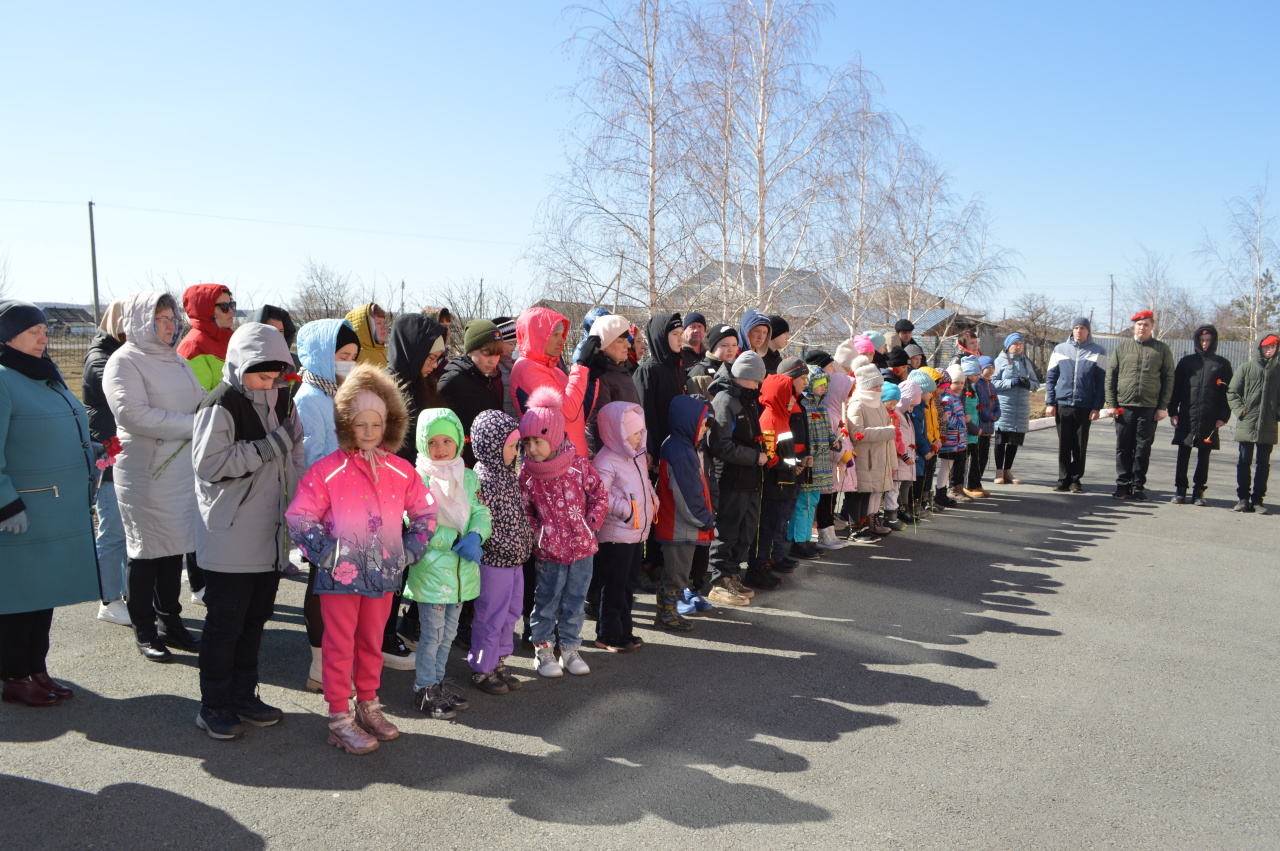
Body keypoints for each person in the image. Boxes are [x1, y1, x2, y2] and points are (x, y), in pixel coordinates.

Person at [286, 363, 435, 755]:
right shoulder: (327, 472)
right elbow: (299, 516)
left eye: (376, 424)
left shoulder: (401, 471)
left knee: (371, 641)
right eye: (360, 424)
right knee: (339, 644)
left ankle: (368, 704)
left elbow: (426, 512)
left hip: (384, 576)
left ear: (388, 424)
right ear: (345, 423)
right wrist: (327, 553)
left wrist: (409, 550)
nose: (369, 433)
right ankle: (339, 717)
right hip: (339, 577)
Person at [190, 323, 304, 740]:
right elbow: (210, 464)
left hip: (269, 536)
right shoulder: (220, 403)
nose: (270, 383)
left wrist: (301, 499)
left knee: (255, 620)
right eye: (262, 374)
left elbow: (296, 454)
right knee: (225, 626)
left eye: (277, 375)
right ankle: (213, 705)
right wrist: (271, 446)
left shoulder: (282, 400)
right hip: (230, 535)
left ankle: (243, 695)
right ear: (241, 365)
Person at [0, 300, 99, 706]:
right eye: (34, 332)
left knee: (44, 596)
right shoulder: (4, 379)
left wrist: (95, 450)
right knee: (18, 598)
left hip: (55, 510)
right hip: (23, 513)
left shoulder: (45, 374)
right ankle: (13, 676)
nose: (45, 337)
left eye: (45, 329)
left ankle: (36, 668)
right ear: (8, 338)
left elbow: (61, 428)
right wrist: (6, 504)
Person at [104, 291, 207, 663]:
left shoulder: (176, 360)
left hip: (180, 470)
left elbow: (199, 399)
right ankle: (144, 629)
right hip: (146, 472)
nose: (170, 324)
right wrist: (194, 426)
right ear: (138, 321)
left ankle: (172, 622)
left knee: (174, 547)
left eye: (171, 318)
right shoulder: (124, 361)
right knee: (146, 550)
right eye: (160, 318)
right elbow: (133, 415)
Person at [404, 409, 490, 717]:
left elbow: (480, 511)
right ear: (422, 444)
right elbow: (415, 521)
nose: (440, 448)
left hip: (461, 573)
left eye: (447, 440)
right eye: (433, 442)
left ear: (458, 442)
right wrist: (452, 541)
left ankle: (437, 682)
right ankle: (424, 687)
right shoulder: (419, 478)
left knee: (449, 634)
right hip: (432, 571)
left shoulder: (468, 476)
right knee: (432, 635)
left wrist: (477, 535)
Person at [519, 387, 607, 678]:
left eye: (538, 440)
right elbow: (525, 510)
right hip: (550, 552)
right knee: (546, 600)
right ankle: (543, 651)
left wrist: (590, 525)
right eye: (527, 442)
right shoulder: (528, 474)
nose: (532, 448)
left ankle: (570, 648)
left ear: (554, 437)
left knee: (574, 600)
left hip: (583, 548)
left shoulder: (579, 465)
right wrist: (537, 534)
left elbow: (599, 495)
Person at [293, 317, 360, 691]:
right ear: (322, 355)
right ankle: (319, 666)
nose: (348, 363)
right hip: (324, 506)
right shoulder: (308, 399)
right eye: (342, 355)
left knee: (340, 586)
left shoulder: (336, 393)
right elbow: (309, 459)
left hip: (348, 501)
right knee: (322, 584)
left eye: (352, 356)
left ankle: (334, 658)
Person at [466, 410, 533, 691]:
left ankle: (499, 662)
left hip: (515, 561)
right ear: (491, 445)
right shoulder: (482, 478)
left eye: (516, 446)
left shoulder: (507, 475)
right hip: (494, 563)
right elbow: (481, 521)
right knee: (489, 618)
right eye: (510, 446)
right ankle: (482, 668)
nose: (515, 451)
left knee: (511, 614)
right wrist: (504, 547)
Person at [591, 401, 658, 647]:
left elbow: (644, 484)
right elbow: (600, 494)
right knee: (614, 583)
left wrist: (653, 500)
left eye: (641, 431)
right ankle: (608, 632)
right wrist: (628, 511)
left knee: (628, 583)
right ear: (617, 432)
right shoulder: (606, 460)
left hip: (635, 531)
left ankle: (623, 629)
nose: (640, 436)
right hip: (616, 533)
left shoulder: (636, 456)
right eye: (634, 432)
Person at [82, 299, 131, 626]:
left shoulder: (118, 355)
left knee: (127, 531)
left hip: (125, 456)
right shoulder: (101, 359)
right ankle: (109, 599)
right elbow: (122, 391)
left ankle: (126, 593)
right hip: (109, 457)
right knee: (113, 530)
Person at [705, 351, 767, 602]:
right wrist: (755, 457)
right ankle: (719, 580)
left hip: (749, 478)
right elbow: (719, 445)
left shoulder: (745, 398)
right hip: (730, 478)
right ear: (746, 377)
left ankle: (731, 574)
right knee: (727, 530)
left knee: (745, 530)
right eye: (756, 380)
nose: (759, 385)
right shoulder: (726, 400)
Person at [654, 395, 716, 631]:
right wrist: (704, 519)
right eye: (701, 425)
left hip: (679, 525)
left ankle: (667, 613)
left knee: (676, 573)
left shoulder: (679, 446)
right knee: (676, 575)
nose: (704, 430)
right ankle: (666, 615)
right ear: (688, 423)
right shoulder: (681, 451)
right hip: (680, 527)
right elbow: (687, 495)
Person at [1102, 310, 1175, 501]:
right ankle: (1122, 486)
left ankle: (1138, 487)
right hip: (1124, 406)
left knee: (1143, 448)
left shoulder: (1162, 349)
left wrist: (1162, 406)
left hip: (1149, 407)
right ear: (1134, 326)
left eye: (1146, 325)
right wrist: (1111, 403)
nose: (1142, 327)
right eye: (1139, 324)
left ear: (1152, 327)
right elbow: (1111, 377)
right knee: (1123, 447)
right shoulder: (1122, 348)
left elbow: (1168, 379)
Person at [509, 306, 593, 458]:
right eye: (555, 335)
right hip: (554, 464)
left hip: (572, 457)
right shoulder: (526, 368)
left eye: (562, 334)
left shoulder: (554, 369)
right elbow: (569, 412)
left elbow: (580, 412)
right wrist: (580, 366)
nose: (562, 340)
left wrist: (593, 379)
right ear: (538, 335)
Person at [1168, 325, 1233, 505]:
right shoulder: (1186, 363)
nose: (1205, 344)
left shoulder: (1222, 365)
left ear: (1214, 342)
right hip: (1187, 415)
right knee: (1184, 451)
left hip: (1209, 417)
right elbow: (1176, 389)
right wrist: (1173, 411)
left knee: (1204, 454)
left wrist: (1223, 416)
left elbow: (1226, 394)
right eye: (1202, 340)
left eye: (1208, 341)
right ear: (1197, 341)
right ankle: (1180, 489)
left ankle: (1199, 491)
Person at [750, 374, 804, 584]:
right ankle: (760, 565)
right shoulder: (771, 418)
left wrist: (797, 465)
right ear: (781, 396)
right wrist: (791, 466)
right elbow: (771, 457)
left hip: (785, 482)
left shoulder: (782, 417)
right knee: (768, 527)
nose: (793, 401)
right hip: (775, 485)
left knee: (777, 524)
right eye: (790, 396)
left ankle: (770, 561)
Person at [1044, 317, 1106, 493]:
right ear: (1072, 330)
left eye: (1082, 328)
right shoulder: (1060, 350)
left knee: (1079, 444)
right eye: (1076, 328)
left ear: (1088, 331)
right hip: (1063, 403)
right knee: (1064, 444)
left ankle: (1076, 480)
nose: (1079, 331)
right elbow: (1050, 378)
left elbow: (1101, 383)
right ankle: (1063, 479)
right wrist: (1050, 402)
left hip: (1085, 405)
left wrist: (1096, 407)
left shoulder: (1098, 351)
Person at [438, 318, 505, 467]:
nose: (493, 361)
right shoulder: (452, 381)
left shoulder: (495, 377)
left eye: (497, 354)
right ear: (469, 351)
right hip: (465, 466)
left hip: (495, 462)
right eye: (487, 354)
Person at [1226, 333, 1280, 513]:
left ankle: (1258, 500)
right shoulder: (1246, 368)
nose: (1270, 350)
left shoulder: (1278, 370)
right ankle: (1243, 499)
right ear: (1260, 348)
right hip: (1247, 423)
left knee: (1263, 464)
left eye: (1273, 347)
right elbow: (1232, 392)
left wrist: (1276, 414)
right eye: (1267, 347)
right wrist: (1241, 411)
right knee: (1243, 462)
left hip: (1268, 425)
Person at [577, 315, 639, 456]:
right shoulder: (600, 376)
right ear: (605, 344)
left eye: (627, 340)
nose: (628, 345)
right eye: (620, 341)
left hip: (628, 453)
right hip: (612, 460)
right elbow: (596, 425)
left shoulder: (621, 370)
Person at [847, 363, 896, 538]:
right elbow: (856, 432)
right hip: (863, 457)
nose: (879, 389)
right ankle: (855, 528)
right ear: (867, 386)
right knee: (858, 493)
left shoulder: (879, 404)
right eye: (876, 385)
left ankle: (865, 525)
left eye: (880, 385)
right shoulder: (857, 404)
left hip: (877, 457)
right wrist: (887, 432)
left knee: (868, 493)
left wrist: (892, 461)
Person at [632, 312, 687, 461]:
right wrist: (652, 453)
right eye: (675, 334)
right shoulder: (647, 371)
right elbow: (645, 416)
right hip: (657, 455)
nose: (681, 339)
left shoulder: (678, 367)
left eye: (681, 333)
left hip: (679, 449)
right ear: (661, 336)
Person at [792, 366, 836, 549]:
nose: (823, 387)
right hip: (810, 462)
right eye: (819, 384)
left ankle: (800, 537)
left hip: (822, 463)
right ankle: (798, 539)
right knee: (805, 502)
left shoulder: (822, 407)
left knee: (813, 500)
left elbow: (827, 430)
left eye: (825, 384)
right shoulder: (804, 406)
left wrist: (834, 440)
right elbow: (804, 435)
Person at [990, 336, 1037, 485]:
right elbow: (992, 382)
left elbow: (1036, 384)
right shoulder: (1000, 361)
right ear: (1008, 346)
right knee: (1001, 439)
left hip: (1021, 407)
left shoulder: (1026, 362)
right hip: (1004, 406)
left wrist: (1028, 383)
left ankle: (1008, 470)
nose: (1018, 347)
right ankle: (999, 471)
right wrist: (1011, 382)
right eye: (1015, 344)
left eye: (1021, 344)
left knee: (1014, 441)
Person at [178, 283, 236, 392]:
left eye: (232, 305)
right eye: (224, 307)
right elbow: (200, 399)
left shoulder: (231, 340)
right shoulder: (193, 346)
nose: (231, 311)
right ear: (206, 311)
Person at [820, 372, 856, 545]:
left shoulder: (837, 411)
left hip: (837, 466)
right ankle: (824, 534)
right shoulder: (829, 413)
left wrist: (849, 451)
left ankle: (831, 533)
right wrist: (844, 455)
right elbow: (831, 443)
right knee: (826, 500)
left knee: (832, 499)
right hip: (830, 466)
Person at [934, 365, 968, 509]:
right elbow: (947, 419)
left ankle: (942, 491)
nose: (959, 386)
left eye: (962, 383)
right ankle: (940, 493)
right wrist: (962, 422)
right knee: (946, 466)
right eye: (956, 382)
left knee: (948, 466)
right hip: (950, 439)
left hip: (957, 439)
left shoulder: (954, 397)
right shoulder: (947, 398)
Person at [687, 323, 738, 398]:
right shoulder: (701, 371)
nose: (731, 350)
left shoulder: (736, 370)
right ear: (713, 347)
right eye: (725, 345)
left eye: (734, 345)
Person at [346, 303, 389, 370]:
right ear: (365, 328)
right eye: (378, 323)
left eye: (384, 322)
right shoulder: (356, 357)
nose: (384, 327)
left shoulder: (383, 351)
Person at [492, 317, 519, 418]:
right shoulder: (494, 365)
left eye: (515, 344)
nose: (513, 348)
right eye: (510, 344)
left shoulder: (514, 363)